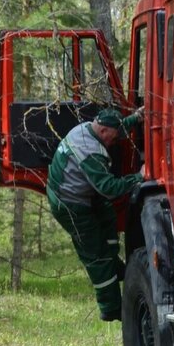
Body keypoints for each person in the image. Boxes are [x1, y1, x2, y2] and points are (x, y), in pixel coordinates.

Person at [47, 107, 143, 321]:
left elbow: (116, 127)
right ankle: (111, 309)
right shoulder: (90, 152)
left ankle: (114, 265)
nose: (115, 141)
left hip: (74, 193)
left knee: (107, 215)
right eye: (114, 136)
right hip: (70, 205)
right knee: (96, 257)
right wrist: (138, 177)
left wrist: (135, 118)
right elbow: (109, 188)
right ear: (103, 131)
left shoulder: (86, 129)